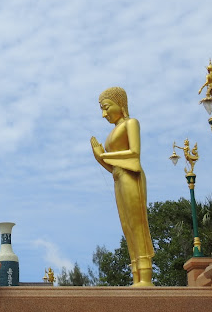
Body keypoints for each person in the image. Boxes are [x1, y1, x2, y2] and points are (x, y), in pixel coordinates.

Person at [90, 87, 154, 286]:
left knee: (138, 225)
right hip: (118, 178)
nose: (104, 114)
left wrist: (103, 155)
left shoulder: (131, 124)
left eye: (106, 107)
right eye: (102, 109)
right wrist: (99, 157)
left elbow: (134, 153)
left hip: (131, 177)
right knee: (127, 227)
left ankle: (145, 275)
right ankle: (136, 274)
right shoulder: (113, 132)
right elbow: (112, 166)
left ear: (121, 104)